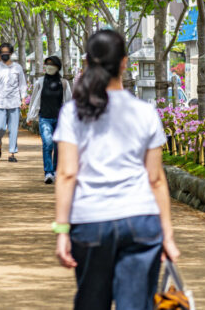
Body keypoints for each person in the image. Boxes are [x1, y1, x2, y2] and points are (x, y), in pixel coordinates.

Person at [53, 30, 180, 310]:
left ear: (87, 62)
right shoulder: (145, 112)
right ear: (124, 63)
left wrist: (62, 230)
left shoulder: (73, 112)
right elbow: (156, 179)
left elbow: (66, 174)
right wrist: (167, 234)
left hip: (90, 221)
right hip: (141, 219)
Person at [27, 55, 71, 184]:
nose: (49, 67)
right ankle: (48, 172)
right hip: (44, 118)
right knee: (48, 143)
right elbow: (34, 99)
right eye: (47, 64)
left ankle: (56, 170)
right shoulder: (40, 82)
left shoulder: (63, 83)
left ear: (58, 67)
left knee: (58, 145)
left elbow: (69, 101)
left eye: (52, 64)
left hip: (60, 119)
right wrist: (30, 116)